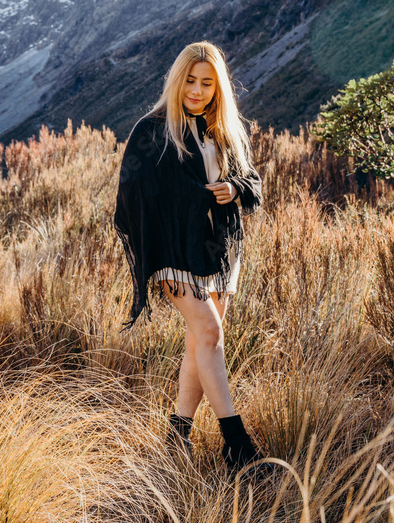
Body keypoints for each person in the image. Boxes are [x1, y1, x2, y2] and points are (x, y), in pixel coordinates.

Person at [112, 41, 273, 476]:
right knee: (209, 330)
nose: (197, 91)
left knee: (200, 341)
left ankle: (176, 438)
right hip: (172, 249)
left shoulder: (221, 128)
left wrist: (233, 189)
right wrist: (195, 197)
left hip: (218, 248)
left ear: (218, 87)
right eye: (190, 81)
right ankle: (237, 447)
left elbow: (250, 178)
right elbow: (133, 192)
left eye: (207, 83)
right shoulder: (152, 131)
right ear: (177, 80)